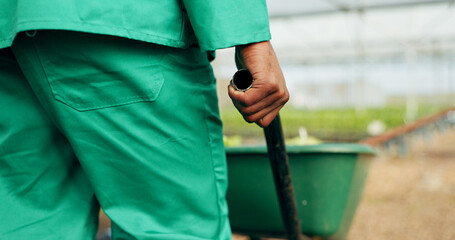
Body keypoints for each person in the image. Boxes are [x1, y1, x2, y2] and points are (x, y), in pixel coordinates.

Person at [0, 0, 289, 239]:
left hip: (9, 33)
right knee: (171, 225)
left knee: (33, 222)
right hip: (122, 21)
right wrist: (249, 35)